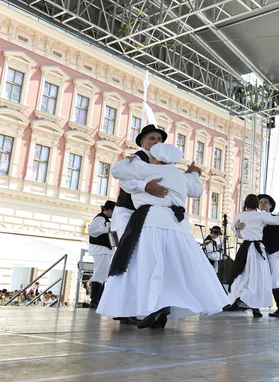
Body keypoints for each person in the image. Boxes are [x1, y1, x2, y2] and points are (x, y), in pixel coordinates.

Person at [97, 143, 228, 328]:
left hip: (151, 222)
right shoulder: (181, 177)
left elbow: (118, 172)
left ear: (157, 159)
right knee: (172, 268)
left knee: (144, 265)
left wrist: (129, 159)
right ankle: (161, 309)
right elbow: (197, 191)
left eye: (151, 157)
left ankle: (149, 307)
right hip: (178, 227)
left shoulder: (145, 168)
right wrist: (193, 173)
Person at [229, 194, 279, 317]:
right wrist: (236, 227)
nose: (262, 204)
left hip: (273, 252)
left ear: (270, 205)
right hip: (258, 252)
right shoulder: (256, 217)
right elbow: (239, 232)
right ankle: (248, 304)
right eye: (260, 202)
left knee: (273, 280)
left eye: (265, 202)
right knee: (254, 277)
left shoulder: (275, 219)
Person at [111, 125, 168, 240]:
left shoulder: (165, 162)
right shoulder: (136, 159)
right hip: (128, 211)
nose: (156, 142)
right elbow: (124, 181)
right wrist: (145, 187)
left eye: (159, 139)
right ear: (142, 142)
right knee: (127, 250)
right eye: (152, 139)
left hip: (149, 214)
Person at [86, 200, 116, 309]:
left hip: (104, 249)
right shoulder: (100, 218)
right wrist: (108, 229)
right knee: (99, 273)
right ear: (108, 210)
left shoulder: (105, 219)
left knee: (102, 274)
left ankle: (98, 299)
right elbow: (91, 230)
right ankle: (94, 300)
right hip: (100, 249)